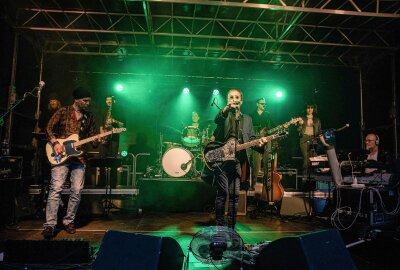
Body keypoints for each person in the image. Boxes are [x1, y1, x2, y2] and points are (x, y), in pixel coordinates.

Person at [42, 87, 98, 239]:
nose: (87, 103)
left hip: (79, 158)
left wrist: (99, 139)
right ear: (76, 100)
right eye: (85, 100)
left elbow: (93, 140)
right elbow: (48, 128)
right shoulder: (63, 111)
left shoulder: (89, 117)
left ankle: (68, 221)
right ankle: (50, 224)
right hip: (60, 156)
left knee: (77, 190)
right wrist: (55, 143)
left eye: (88, 101)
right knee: (56, 189)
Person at [209, 89, 267, 229]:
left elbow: (251, 138)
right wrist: (226, 108)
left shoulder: (247, 119)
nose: (234, 99)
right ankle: (220, 228)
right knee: (222, 193)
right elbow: (217, 119)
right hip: (222, 161)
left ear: (241, 101)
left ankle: (231, 228)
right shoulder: (224, 115)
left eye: (236, 97)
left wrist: (260, 143)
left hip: (237, 162)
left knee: (235, 195)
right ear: (228, 100)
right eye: (231, 97)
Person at [32, 93, 62, 185]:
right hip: (45, 141)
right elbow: (39, 127)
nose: (52, 102)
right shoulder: (45, 113)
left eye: (54, 101)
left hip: (58, 141)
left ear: (58, 102)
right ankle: (44, 182)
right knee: (44, 161)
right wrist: (34, 138)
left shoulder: (61, 112)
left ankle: (56, 181)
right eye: (51, 101)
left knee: (57, 161)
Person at [249, 98, 275, 190]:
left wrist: (283, 126)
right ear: (257, 104)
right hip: (256, 141)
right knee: (255, 163)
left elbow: (271, 127)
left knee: (267, 161)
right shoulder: (251, 115)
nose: (264, 105)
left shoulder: (268, 114)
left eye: (265, 104)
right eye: (262, 103)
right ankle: (254, 185)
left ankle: (267, 185)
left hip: (266, 140)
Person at [297, 103, 329, 179]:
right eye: (308, 108)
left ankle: (313, 179)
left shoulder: (317, 119)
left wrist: (324, 143)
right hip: (304, 139)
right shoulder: (302, 118)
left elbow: (320, 132)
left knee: (313, 160)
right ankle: (304, 179)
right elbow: (298, 131)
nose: (310, 109)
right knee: (306, 159)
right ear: (305, 109)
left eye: (311, 107)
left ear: (314, 109)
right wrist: (300, 124)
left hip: (313, 140)